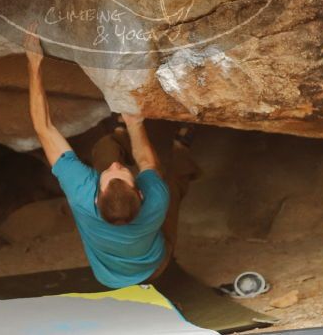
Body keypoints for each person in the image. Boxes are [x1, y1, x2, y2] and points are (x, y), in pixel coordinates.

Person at [23, 27, 199, 289]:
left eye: (110, 175)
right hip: (155, 267)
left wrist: (33, 63)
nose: (117, 166)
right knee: (171, 184)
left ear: (96, 196)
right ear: (140, 194)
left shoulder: (82, 192)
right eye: (124, 172)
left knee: (106, 150)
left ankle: (116, 134)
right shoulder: (156, 199)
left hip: (109, 278)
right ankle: (180, 148)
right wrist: (135, 124)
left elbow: (44, 127)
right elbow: (148, 163)